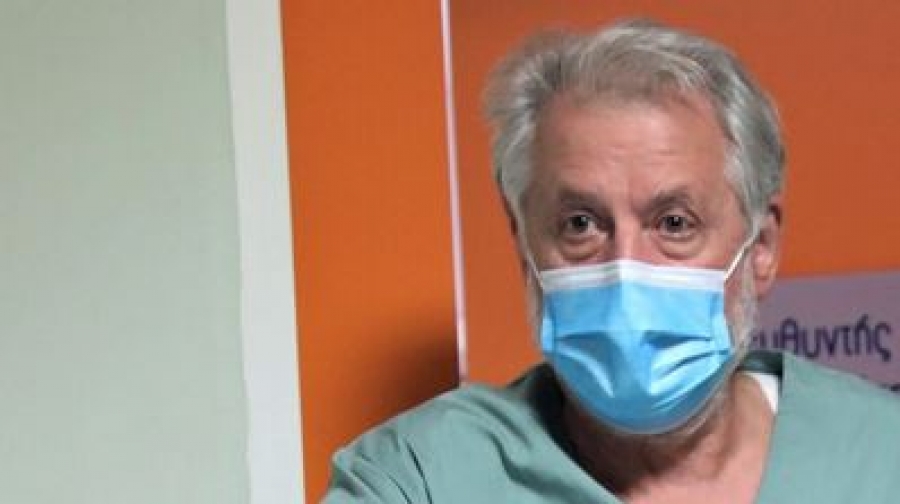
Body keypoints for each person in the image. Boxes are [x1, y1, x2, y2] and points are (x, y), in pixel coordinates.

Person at [323, 19, 900, 503]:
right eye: (580, 224)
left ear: (761, 248)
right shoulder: (417, 479)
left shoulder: (880, 457)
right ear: (525, 245)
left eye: (674, 223)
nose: (626, 269)